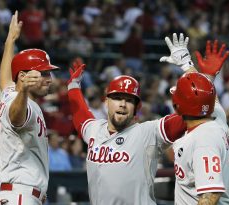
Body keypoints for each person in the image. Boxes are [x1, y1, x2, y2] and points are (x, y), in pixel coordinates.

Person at [66, 43, 191, 204]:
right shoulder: (95, 130)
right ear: (106, 102)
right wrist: (73, 86)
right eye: (117, 98)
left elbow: (191, 112)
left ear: (137, 108)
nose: (122, 104)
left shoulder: (148, 132)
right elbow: (80, 115)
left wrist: (192, 69)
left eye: (129, 100)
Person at [0, 11, 59, 205]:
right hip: (21, 195)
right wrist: (24, 92)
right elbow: (16, 118)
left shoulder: (9, 93)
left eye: (48, 74)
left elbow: (5, 78)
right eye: (43, 74)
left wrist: (10, 40)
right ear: (23, 77)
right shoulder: (20, 103)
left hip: (13, 194)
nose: (48, 80)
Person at [160, 34, 229, 204]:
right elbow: (202, 94)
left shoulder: (203, 139)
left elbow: (210, 196)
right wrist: (187, 64)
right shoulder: (216, 115)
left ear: (177, 105)